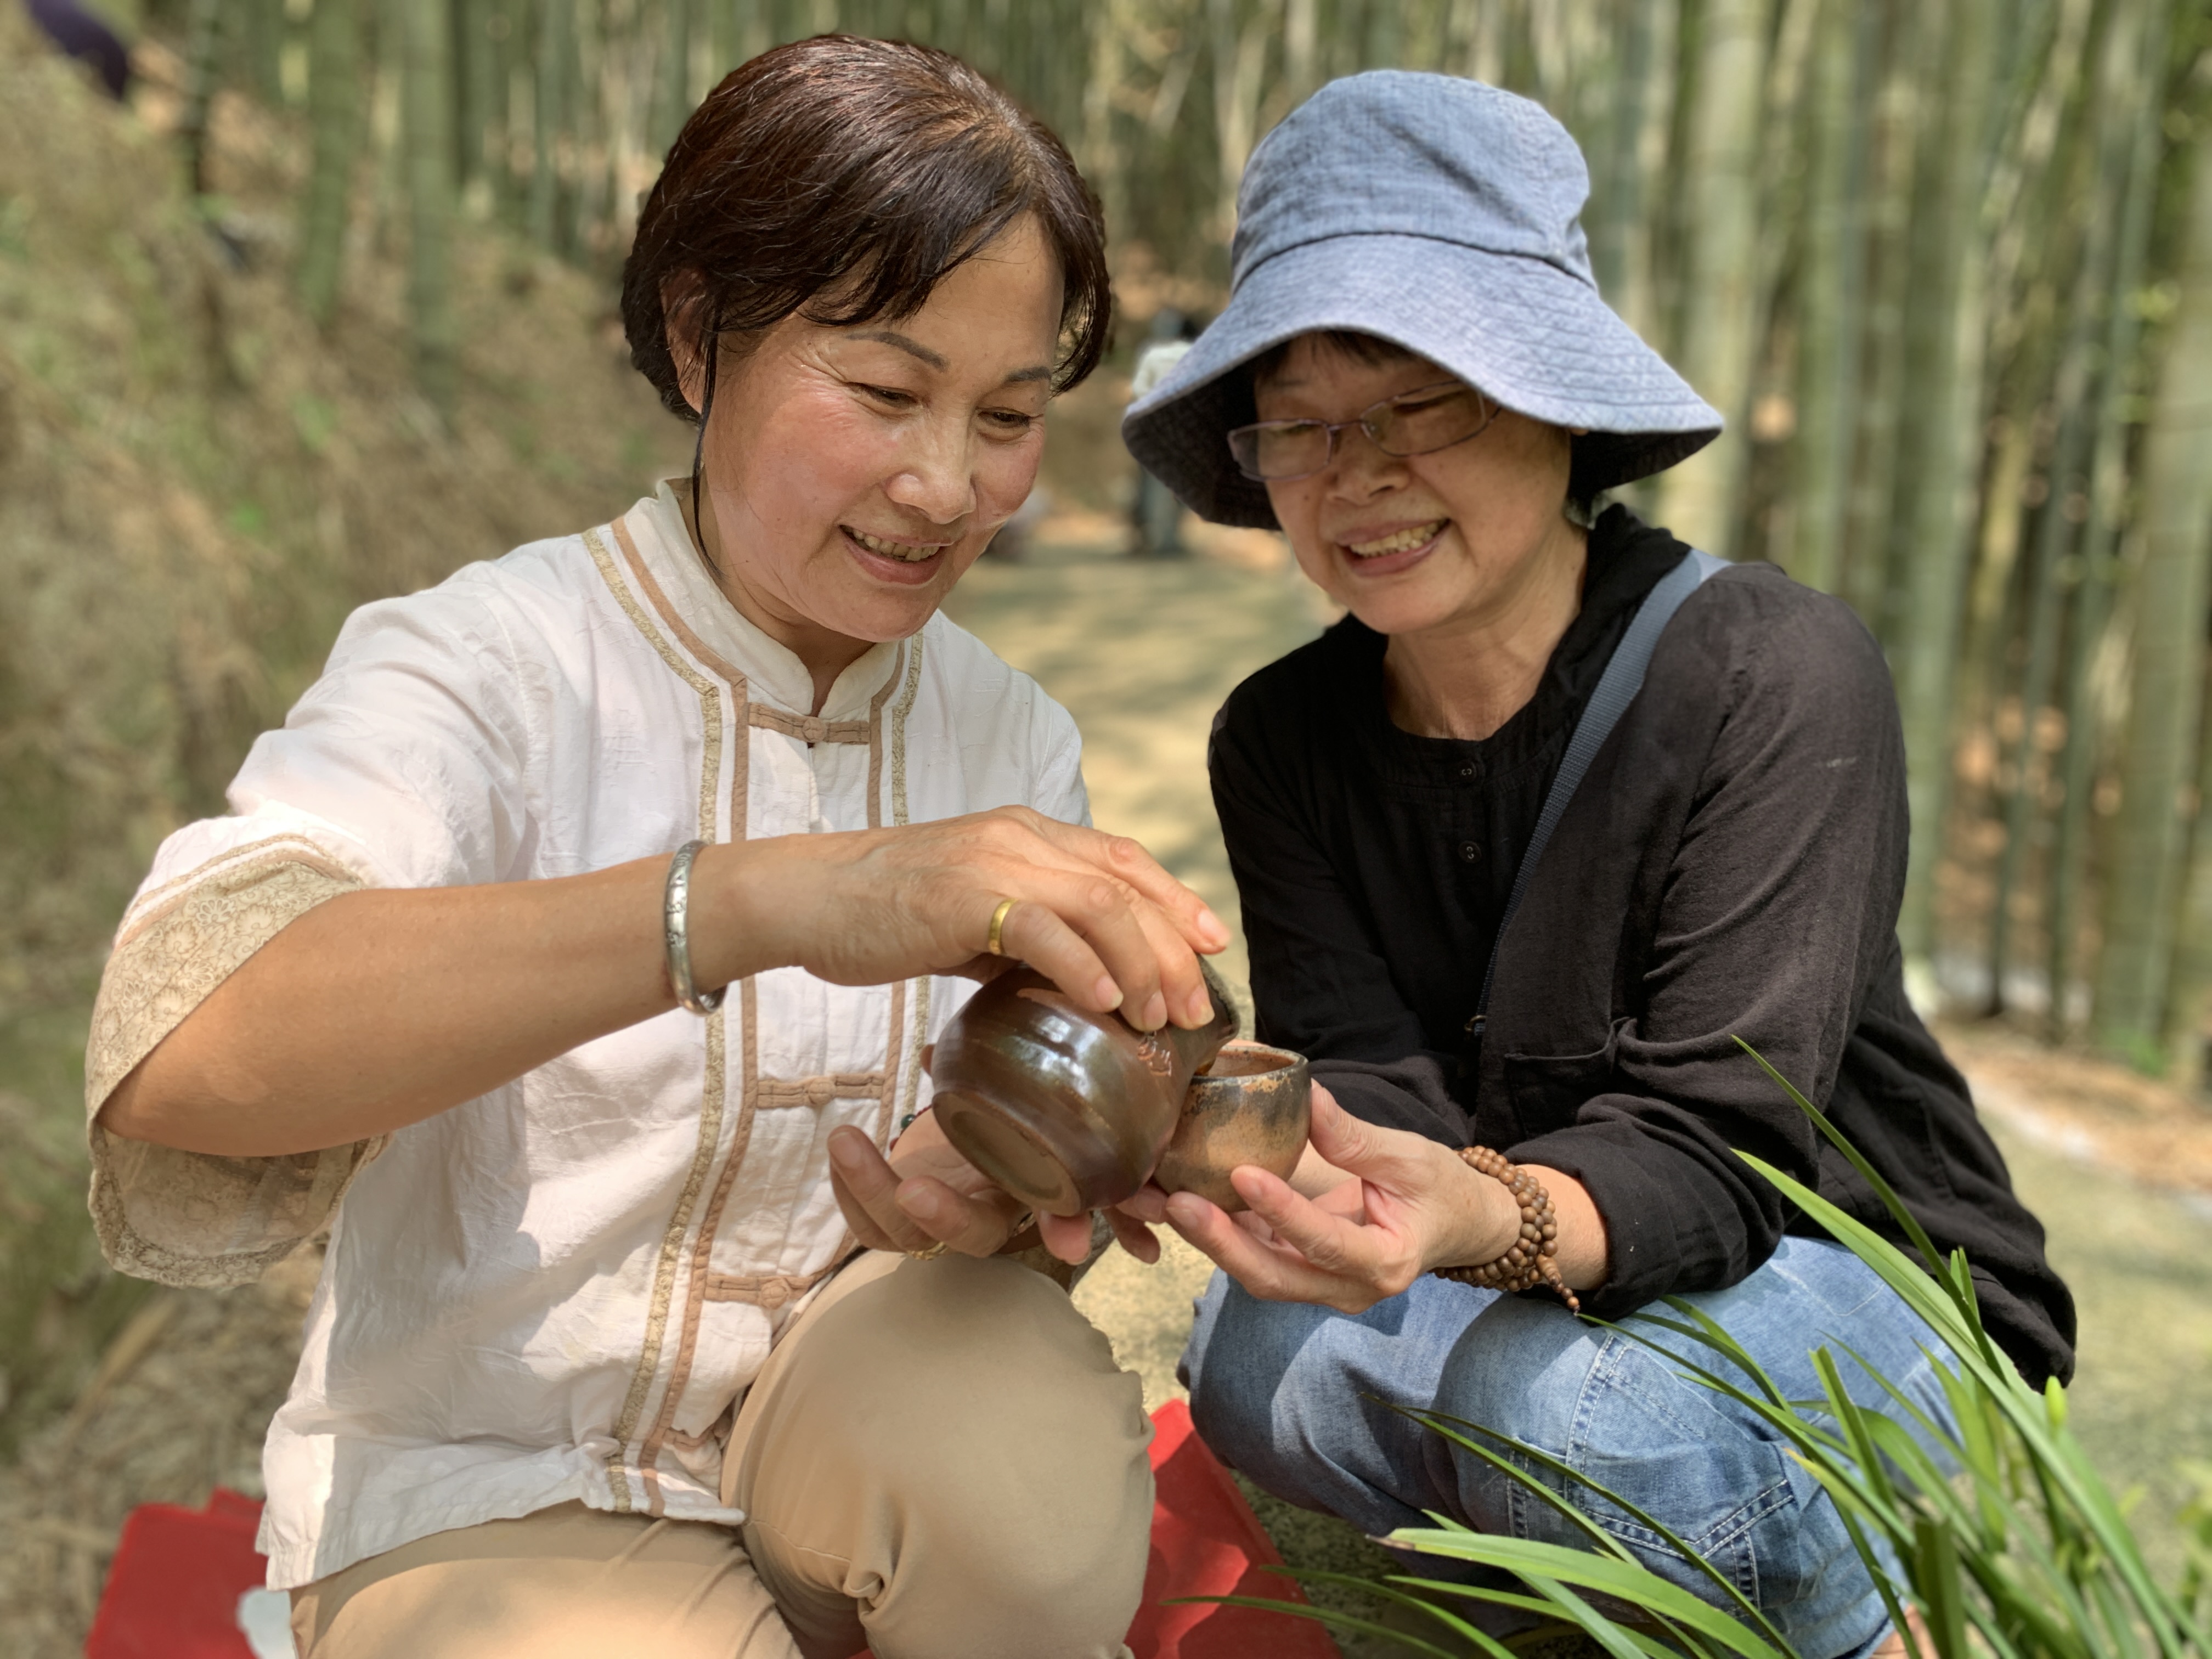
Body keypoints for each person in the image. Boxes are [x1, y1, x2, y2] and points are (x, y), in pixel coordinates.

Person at [85, 37, 1222, 1659]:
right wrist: (762, 897)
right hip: (480, 1483)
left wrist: (1000, 1189)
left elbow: (1006, 1178)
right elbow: (185, 1048)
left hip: (829, 1428)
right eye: (888, 393)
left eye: (1011, 415)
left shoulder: (1005, 734)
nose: (947, 486)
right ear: (700, 339)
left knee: (1029, 1490)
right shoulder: (488, 664)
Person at [1119, 72, 2075, 1659]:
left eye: (1419, 401)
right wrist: (1222, 1144)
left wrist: (1466, 1221)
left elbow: (1716, 1149)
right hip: (1550, 1280)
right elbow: (1379, 1097)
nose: (1357, 472)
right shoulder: (1280, 736)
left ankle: (1874, 1610)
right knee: (1251, 1351)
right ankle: (1612, 1549)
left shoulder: (1772, 669)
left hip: (1850, 1263)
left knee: (1549, 1410)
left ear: (1550, 405)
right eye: (1300, 422)